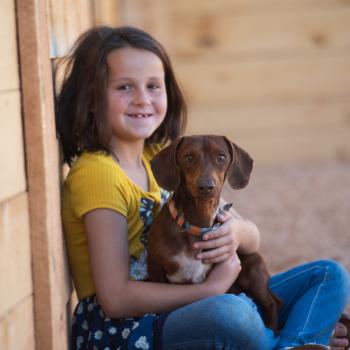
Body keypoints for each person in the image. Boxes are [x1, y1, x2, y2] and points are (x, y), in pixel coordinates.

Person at [56, 26, 350, 350]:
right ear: (92, 98)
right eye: (125, 87)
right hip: (132, 327)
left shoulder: (162, 158)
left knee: (328, 275)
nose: (142, 98)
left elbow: (249, 235)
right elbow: (115, 299)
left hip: (208, 294)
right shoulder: (98, 174)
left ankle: (290, 340)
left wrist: (238, 234)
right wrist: (209, 292)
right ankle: (297, 338)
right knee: (231, 315)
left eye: (153, 86)